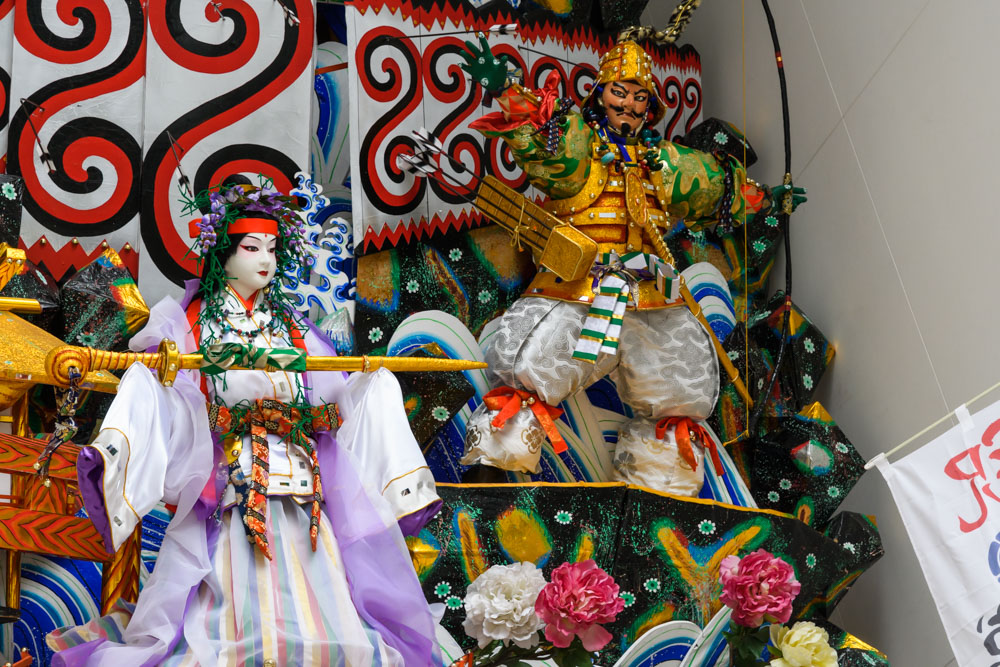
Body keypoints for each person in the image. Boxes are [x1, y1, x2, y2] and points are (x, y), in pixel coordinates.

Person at [50, 183, 442, 666]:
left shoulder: (293, 324)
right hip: (234, 473)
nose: (266, 260)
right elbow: (166, 388)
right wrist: (151, 399)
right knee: (225, 607)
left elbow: (332, 391)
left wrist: (368, 383)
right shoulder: (192, 323)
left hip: (299, 474)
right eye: (252, 248)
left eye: (273, 249)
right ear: (223, 253)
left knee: (328, 606)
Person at [457, 37, 804, 494]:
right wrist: (509, 91)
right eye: (621, 92)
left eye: (641, 97)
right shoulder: (578, 139)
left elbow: (714, 188)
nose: (630, 105)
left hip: (652, 294)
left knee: (681, 384)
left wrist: (762, 202)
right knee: (534, 367)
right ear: (601, 94)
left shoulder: (665, 162)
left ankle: (659, 495)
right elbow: (542, 141)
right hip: (580, 286)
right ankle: (490, 483)